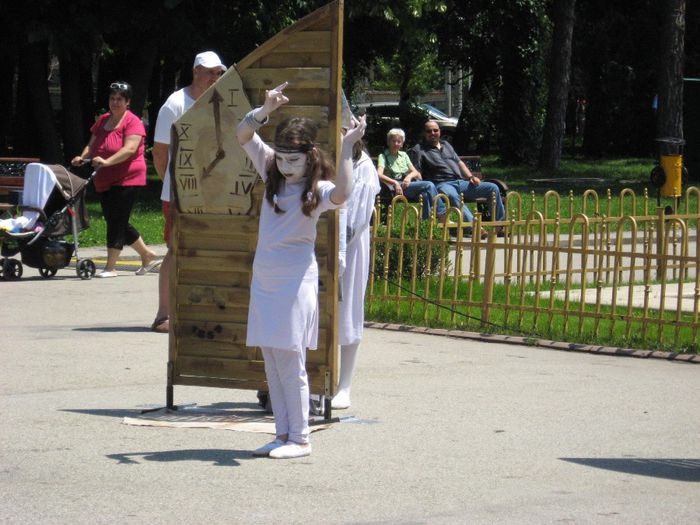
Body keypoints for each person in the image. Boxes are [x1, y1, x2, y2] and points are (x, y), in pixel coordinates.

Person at [237, 82, 365, 459]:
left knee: (291, 361)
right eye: (281, 158)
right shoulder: (270, 172)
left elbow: (343, 194)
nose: (286, 166)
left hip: (295, 284)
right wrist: (264, 110)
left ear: (310, 157)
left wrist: (347, 147)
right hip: (265, 281)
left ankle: (301, 438)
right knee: (271, 359)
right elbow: (243, 134)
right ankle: (282, 433)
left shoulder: (317, 189)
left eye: (294, 160)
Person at [150, 51, 227, 333]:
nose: (214, 78)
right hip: (179, 195)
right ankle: (164, 314)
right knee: (176, 250)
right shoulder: (175, 104)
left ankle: (197, 310)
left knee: (206, 250)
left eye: (218, 73)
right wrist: (171, 183)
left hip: (213, 193)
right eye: (209, 72)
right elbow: (160, 153)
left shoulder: (221, 103)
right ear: (195, 72)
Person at [71, 81, 158, 278]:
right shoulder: (103, 120)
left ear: (128, 102)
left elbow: (129, 149)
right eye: (112, 98)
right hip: (105, 178)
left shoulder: (133, 122)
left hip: (128, 177)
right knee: (116, 219)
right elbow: (92, 144)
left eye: (120, 99)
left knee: (116, 221)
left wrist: (107, 161)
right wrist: (82, 157)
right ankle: (147, 254)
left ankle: (110, 267)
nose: (115, 102)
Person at [332, 134, 381, 410]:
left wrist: (336, 246)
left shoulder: (363, 166)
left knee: (348, 310)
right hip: (314, 245)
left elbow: (356, 215)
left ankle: (344, 385)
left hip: (349, 247)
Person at [409, 120, 505, 231]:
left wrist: (471, 177)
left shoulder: (446, 144)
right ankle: (474, 227)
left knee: (492, 188)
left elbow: (459, 163)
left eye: (435, 130)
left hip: (460, 182)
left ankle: (500, 225)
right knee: (452, 195)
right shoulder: (419, 149)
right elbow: (417, 171)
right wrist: (423, 186)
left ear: (440, 131)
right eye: (429, 131)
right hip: (441, 184)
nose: (432, 133)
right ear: (424, 133)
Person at [377, 128, 446, 221]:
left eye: (399, 141)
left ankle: (425, 223)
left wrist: (409, 177)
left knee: (425, 195)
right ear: (388, 142)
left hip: (406, 184)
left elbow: (415, 172)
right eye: (393, 141)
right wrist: (395, 183)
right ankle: (442, 214)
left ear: (402, 143)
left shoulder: (404, 155)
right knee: (429, 185)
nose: (396, 144)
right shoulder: (383, 156)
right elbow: (379, 174)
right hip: (393, 188)